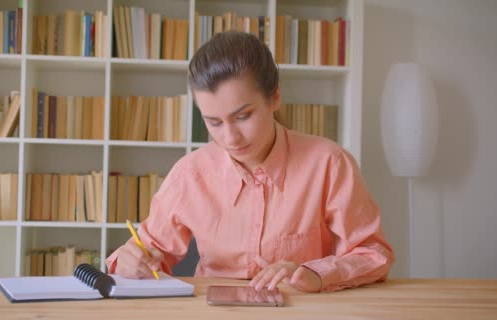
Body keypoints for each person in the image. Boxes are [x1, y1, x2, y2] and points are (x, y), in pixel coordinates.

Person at [106, 32, 394, 293]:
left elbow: (373, 253)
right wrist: (130, 263)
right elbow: (146, 254)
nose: (230, 137)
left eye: (243, 116)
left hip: (301, 311)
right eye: (213, 122)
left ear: (275, 98)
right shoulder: (190, 174)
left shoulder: (329, 164)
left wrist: (315, 273)